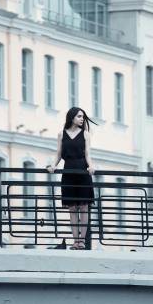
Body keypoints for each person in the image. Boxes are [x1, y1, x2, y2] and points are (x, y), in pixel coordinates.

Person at [47, 107, 96, 250]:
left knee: (84, 207)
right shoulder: (61, 135)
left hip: (82, 171)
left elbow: (88, 154)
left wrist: (91, 166)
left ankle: (82, 241)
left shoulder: (86, 134)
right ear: (72, 117)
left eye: (83, 117)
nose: (82, 119)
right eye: (79, 116)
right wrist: (53, 166)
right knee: (72, 208)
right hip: (68, 172)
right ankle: (75, 241)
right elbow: (58, 154)